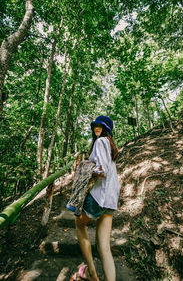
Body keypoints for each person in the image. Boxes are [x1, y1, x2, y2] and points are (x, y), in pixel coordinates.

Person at [71, 115, 119, 281]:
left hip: (99, 197)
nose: (96, 128)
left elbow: (102, 170)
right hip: (111, 200)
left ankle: (92, 273)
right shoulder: (111, 146)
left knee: (79, 225)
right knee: (104, 247)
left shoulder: (100, 142)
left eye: (100, 126)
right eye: (95, 126)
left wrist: (85, 167)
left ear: (106, 129)